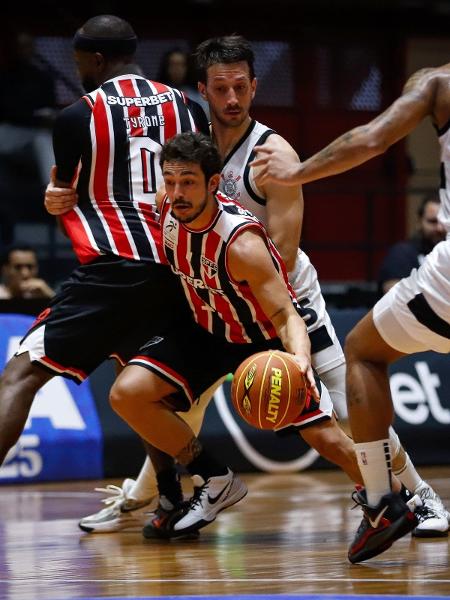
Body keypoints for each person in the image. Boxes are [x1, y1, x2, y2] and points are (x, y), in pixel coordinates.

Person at [75, 35, 448, 539]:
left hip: (281, 300)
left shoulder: (273, 154)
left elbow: (284, 255)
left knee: (345, 407)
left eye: (241, 89)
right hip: (216, 298)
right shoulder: (193, 150)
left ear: (254, 87)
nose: (232, 100)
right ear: (203, 89)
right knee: (158, 396)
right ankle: (144, 496)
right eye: (222, 89)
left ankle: (419, 496)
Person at [251, 63, 450, 562]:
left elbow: (373, 139)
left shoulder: (439, 82)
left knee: (362, 351)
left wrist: (297, 172)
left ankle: (384, 501)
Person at [0, 15, 209, 480]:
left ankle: (202, 482)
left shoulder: (77, 116)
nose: (79, 71)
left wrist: (54, 197)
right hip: (176, 267)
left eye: (79, 63)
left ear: (95, 59)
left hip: (112, 268)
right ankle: (173, 501)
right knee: (135, 390)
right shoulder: (188, 106)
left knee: (20, 375)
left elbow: (63, 192)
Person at [0, 31, 58, 188]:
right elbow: (8, 111)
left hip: (35, 132)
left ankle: (55, 193)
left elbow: (50, 107)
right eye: (20, 46)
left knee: (45, 139)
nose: (24, 50)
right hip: (10, 131)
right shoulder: (5, 77)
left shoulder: (44, 78)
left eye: (28, 46)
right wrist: (34, 117)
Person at [378, 193, 446, 295]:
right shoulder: (402, 253)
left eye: (444, 221)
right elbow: (395, 297)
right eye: (432, 221)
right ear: (419, 222)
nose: (439, 228)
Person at [157, 47, 210, 118]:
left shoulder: (198, 95)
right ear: (166, 67)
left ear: (187, 67)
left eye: (181, 65)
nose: (177, 69)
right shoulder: (156, 94)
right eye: (173, 64)